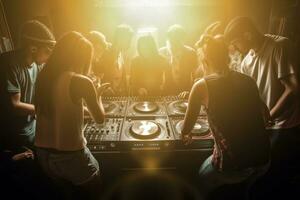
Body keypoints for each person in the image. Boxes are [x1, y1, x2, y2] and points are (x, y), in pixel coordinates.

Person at [181, 35, 271, 195]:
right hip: (264, 160)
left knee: (198, 181)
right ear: (226, 57)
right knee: (243, 189)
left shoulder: (201, 86)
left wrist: (185, 134)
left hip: (233, 165)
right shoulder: (248, 80)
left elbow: (187, 128)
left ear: (205, 61)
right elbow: (266, 114)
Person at [34, 31, 109, 199]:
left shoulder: (43, 77)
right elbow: (100, 119)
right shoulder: (81, 81)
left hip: (43, 155)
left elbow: (59, 106)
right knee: (96, 190)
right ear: (82, 58)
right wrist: (98, 96)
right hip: (70, 156)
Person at [224, 16, 300, 169]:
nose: (235, 48)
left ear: (247, 35)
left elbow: (293, 88)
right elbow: (249, 97)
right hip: (266, 124)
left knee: (276, 172)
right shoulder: (246, 62)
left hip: (286, 125)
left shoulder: (279, 46)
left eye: (235, 42)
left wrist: (269, 117)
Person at [0, 20, 55, 150]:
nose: (49, 57)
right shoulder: (9, 64)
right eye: (47, 51)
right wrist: (48, 110)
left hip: (32, 130)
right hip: (14, 137)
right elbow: (15, 105)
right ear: (33, 48)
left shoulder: (37, 65)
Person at [160, 24, 199, 97]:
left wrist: (190, 91)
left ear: (183, 39)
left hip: (185, 93)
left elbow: (195, 76)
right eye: (172, 39)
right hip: (166, 94)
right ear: (168, 38)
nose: (174, 42)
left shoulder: (191, 53)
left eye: (177, 39)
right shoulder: (161, 53)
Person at [97, 24, 134, 96]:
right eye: (128, 39)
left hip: (115, 97)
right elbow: (98, 75)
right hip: (104, 97)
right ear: (120, 38)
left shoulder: (121, 53)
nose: (130, 43)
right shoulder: (106, 51)